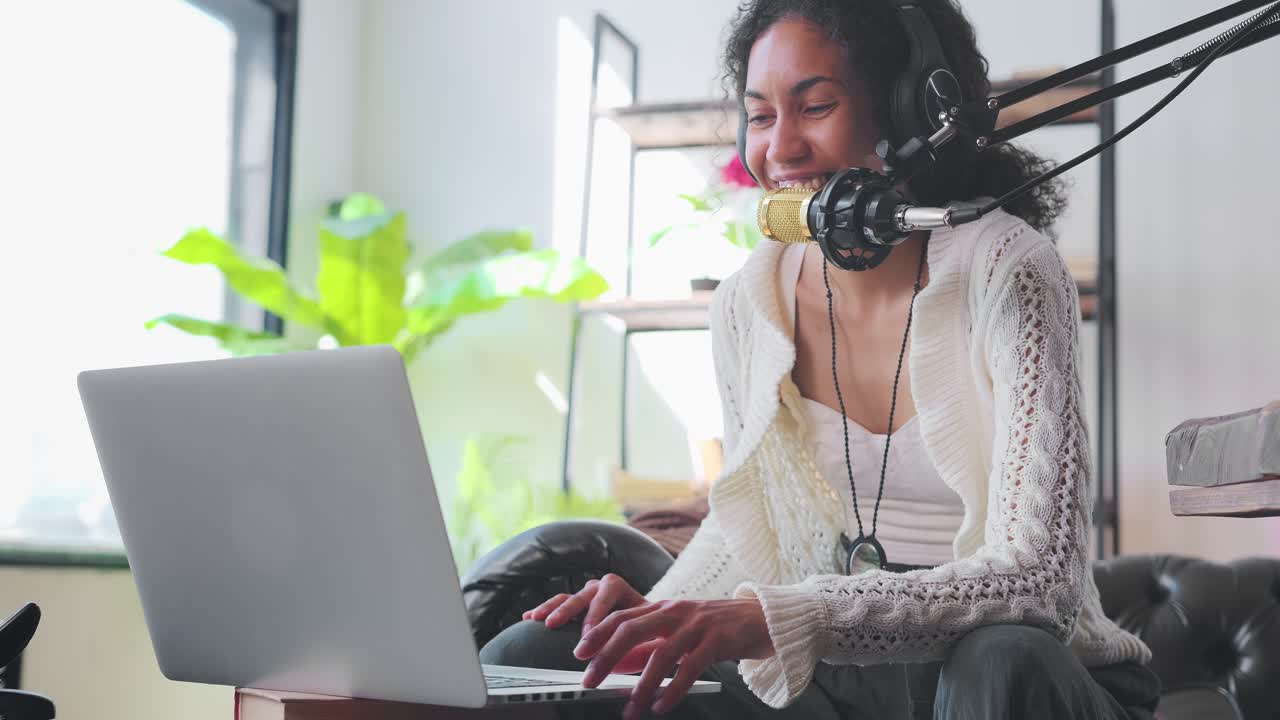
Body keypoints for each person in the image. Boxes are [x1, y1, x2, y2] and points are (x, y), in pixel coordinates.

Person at [481, 1, 1161, 718]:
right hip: (845, 676)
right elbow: (750, 522)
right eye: (761, 116)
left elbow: (1039, 582)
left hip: (1021, 679)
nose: (780, 149)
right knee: (534, 655)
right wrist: (658, 615)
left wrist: (784, 615)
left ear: (908, 114)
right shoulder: (747, 303)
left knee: (996, 657)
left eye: (815, 107)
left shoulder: (1010, 271)